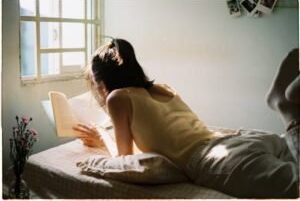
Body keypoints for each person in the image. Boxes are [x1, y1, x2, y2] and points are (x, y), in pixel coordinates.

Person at [73, 39, 299, 198]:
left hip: (213, 160)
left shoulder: (116, 97)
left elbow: (124, 159)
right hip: (237, 141)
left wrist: (103, 136)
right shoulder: (162, 88)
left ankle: (288, 111)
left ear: (102, 83)